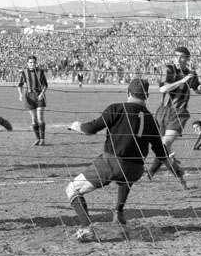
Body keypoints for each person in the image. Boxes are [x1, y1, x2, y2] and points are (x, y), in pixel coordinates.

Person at [66, 79, 185, 242]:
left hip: (112, 163)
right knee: (125, 177)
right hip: (136, 170)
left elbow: (91, 129)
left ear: (128, 93)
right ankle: (119, 211)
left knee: (72, 189)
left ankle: (86, 228)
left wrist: (76, 125)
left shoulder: (117, 108)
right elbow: (161, 151)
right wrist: (175, 169)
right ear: (146, 96)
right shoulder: (151, 119)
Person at [147, 45, 201, 184]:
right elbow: (163, 89)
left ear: (187, 58)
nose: (178, 60)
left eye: (182, 57)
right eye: (176, 56)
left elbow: (197, 89)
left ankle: (151, 171)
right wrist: (182, 80)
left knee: (165, 142)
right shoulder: (168, 69)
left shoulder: (191, 74)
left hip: (179, 112)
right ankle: (177, 171)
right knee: (161, 146)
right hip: (163, 111)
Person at [17, 55, 48, 145]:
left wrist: (42, 94)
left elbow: (45, 85)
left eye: (34, 62)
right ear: (27, 63)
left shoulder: (40, 72)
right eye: (30, 62)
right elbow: (20, 85)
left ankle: (42, 139)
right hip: (29, 96)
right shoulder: (24, 72)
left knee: (40, 118)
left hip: (39, 96)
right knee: (34, 119)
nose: (32, 64)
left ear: (36, 63)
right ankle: (37, 138)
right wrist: (20, 94)